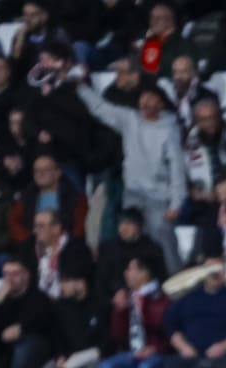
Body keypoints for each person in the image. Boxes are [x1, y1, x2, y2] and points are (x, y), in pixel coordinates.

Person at [76, 81, 186, 274]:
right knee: (131, 242)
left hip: (158, 196)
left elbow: (177, 169)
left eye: (151, 98)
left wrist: (176, 203)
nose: (145, 102)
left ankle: (175, 286)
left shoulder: (170, 129)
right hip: (133, 193)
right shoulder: (130, 119)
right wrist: (80, 87)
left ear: (161, 104)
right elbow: (101, 108)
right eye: (143, 98)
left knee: (162, 238)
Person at [162, 262, 226, 368]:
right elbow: (171, 325)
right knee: (171, 367)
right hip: (192, 354)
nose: (214, 274)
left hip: (223, 354)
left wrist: (223, 347)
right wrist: (183, 347)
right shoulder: (189, 297)